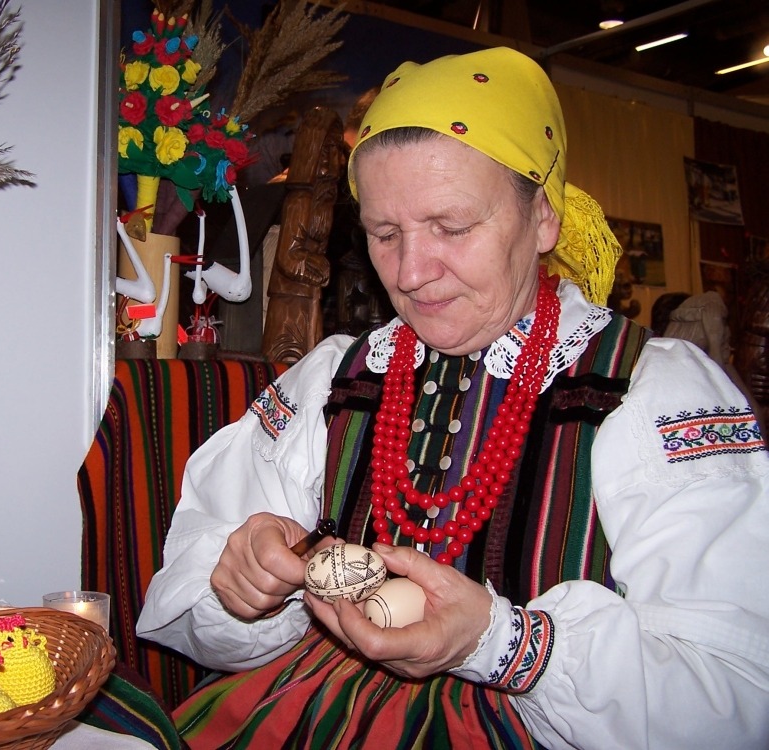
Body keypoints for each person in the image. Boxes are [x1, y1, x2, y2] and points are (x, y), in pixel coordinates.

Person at [136, 47, 769, 749]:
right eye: (385, 233)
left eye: (452, 227)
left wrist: (499, 642)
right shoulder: (337, 380)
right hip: (305, 713)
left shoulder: (647, 393)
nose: (411, 272)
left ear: (545, 220)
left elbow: (736, 698)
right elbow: (194, 593)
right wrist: (246, 583)